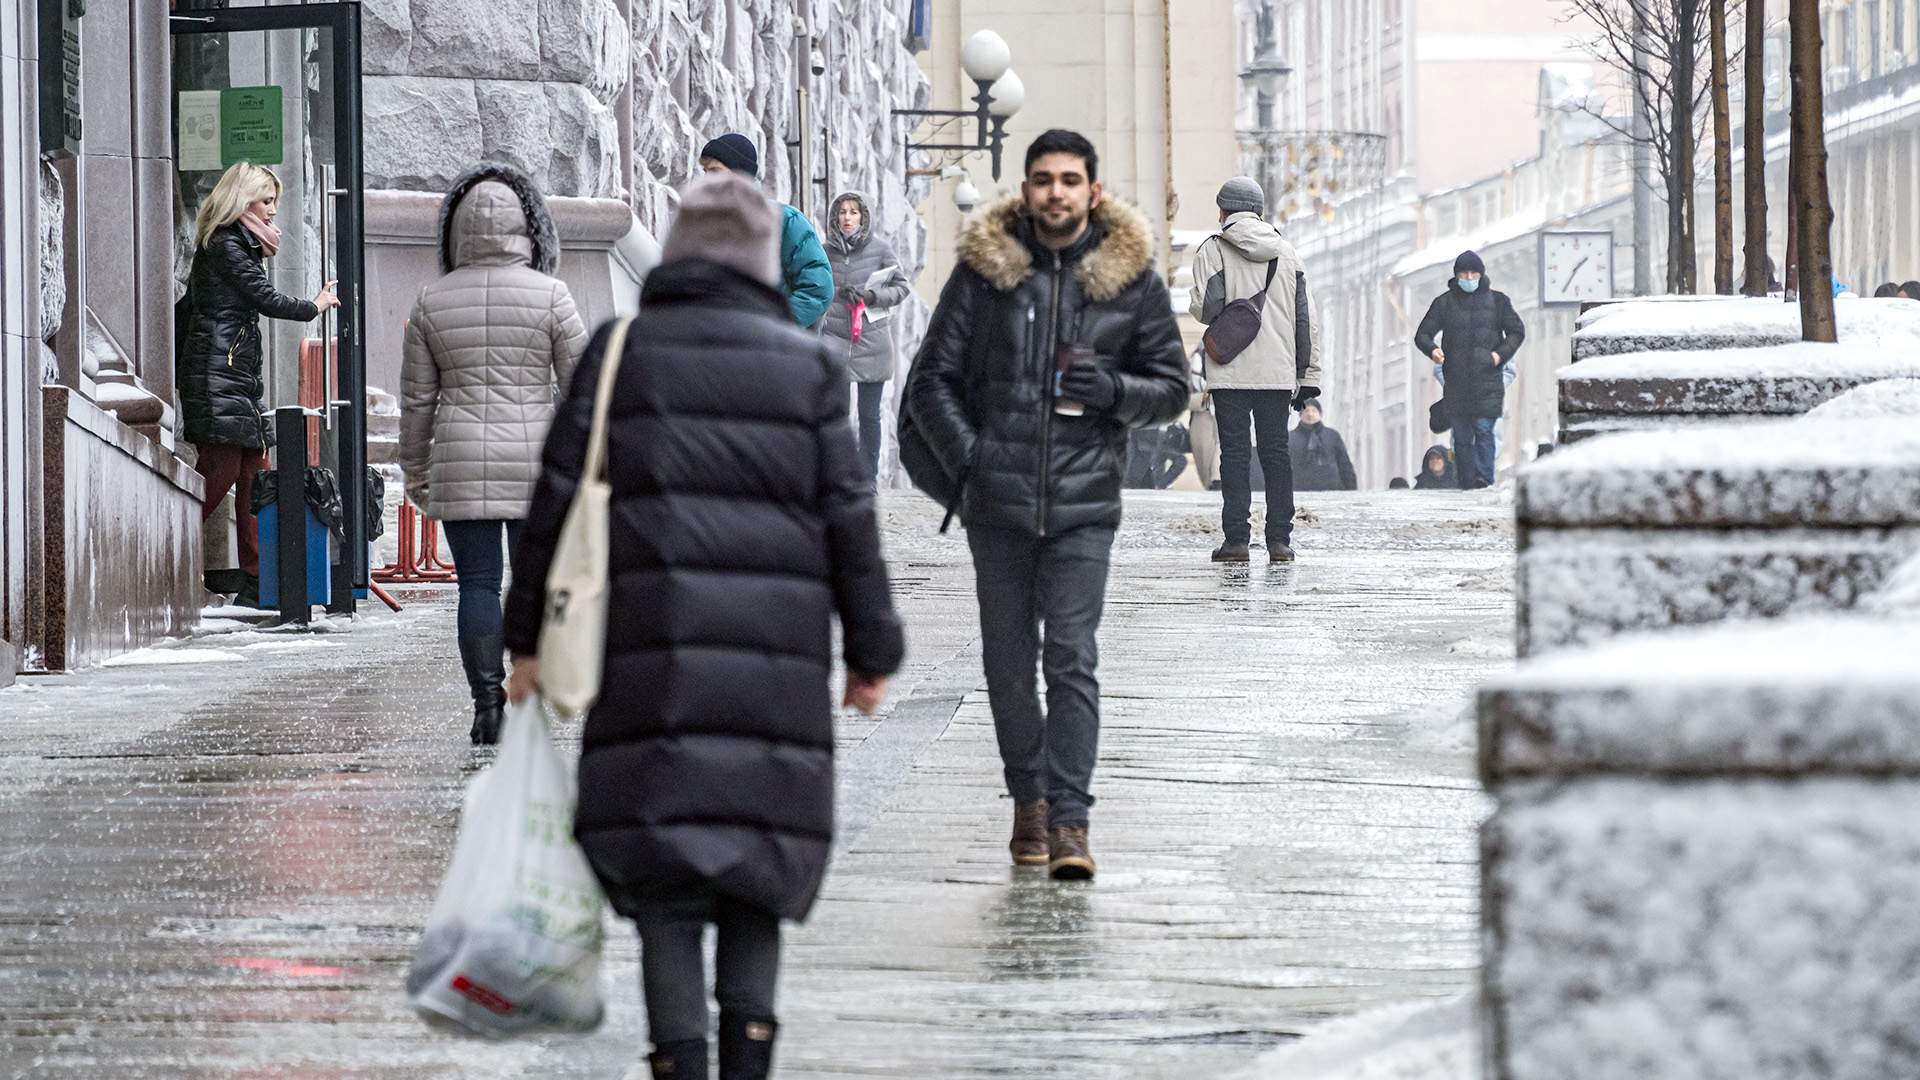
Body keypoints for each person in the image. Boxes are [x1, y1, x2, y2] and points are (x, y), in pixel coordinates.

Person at [502, 173, 905, 1080]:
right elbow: (850, 519)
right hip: (774, 671)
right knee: (755, 881)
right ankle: (749, 1061)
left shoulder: (619, 354)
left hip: (648, 661)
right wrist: (872, 652)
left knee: (668, 891)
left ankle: (678, 1064)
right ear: (766, 263)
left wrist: (525, 640)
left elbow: (553, 507)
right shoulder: (807, 368)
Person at [907, 128, 1188, 881]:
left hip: (1084, 506)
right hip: (996, 508)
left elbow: (1172, 387)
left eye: (1069, 180)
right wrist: (975, 461)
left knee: (1071, 658)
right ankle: (1026, 800)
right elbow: (930, 381)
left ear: (1092, 192)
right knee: (1007, 664)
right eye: (1042, 179)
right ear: (1025, 190)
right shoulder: (985, 274)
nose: (1055, 192)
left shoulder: (1130, 281)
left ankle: (1070, 820)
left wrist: (1116, 393)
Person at [400, 161, 588, 746]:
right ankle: (527, 695)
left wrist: (414, 469)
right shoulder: (553, 295)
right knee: (535, 582)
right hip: (536, 467)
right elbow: (582, 387)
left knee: (476, 585)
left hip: (459, 462)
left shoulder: (432, 301)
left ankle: (486, 706)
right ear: (529, 228)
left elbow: (416, 400)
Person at [177, 161, 339, 607]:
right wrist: (315, 305)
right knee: (222, 472)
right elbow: (265, 298)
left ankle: (254, 579)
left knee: (253, 478)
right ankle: (168, 546)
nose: (273, 212)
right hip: (217, 376)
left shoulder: (240, 245)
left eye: (274, 201)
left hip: (234, 378)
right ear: (243, 200)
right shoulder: (227, 245)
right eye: (267, 201)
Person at [1186, 176, 1322, 563]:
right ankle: (1280, 541)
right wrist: (1308, 376)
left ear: (1223, 210)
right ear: (1259, 210)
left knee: (1234, 454)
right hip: (1277, 372)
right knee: (1276, 454)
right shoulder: (1288, 252)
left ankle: (1237, 541)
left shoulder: (1213, 249)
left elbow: (1206, 308)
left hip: (1230, 369)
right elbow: (1305, 319)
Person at [698, 133, 834, 329]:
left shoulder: (785, 221)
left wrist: (773, 327)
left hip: (772, 351)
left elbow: (817, 289)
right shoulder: (703, 225)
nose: (708, 180)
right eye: (705, 172)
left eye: (716, 171)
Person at [1414, 250, 1524, 490]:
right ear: (1456, 276)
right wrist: (1433, 350)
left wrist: (1498, 355)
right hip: (1457, 382)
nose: (1469, 277)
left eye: (1474, 273)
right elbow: (1422, 334)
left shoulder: (1498, 301)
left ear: (1481, 274)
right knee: (1462, 437)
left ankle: (1485, 480)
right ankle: (1466, 482)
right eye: (1464, 273)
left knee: (1484, 431)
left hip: (1488, 380)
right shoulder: (1444, 303)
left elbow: (1517, 331)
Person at [821, 191, 910, 483]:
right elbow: (815, 287)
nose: (847, 217)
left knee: (870, 416)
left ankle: (868, 478)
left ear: (864, 216)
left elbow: (901, 288)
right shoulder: (824, 251)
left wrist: (872, 296)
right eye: (842, 211)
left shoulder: (881, 249)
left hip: (871, 341)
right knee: (838, 416)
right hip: (834, 340)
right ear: (835, 216)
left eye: (854, 212)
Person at [1288, 399, 1357, 492]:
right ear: (1300, 415)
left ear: (1320, 414)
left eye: (1314, 411)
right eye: (1306, 411)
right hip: (1299, 490)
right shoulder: (1290, 438)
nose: (1310, 414)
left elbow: (1344, 464)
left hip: (1332, 490)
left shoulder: (1332, 435)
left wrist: (1351, 489)